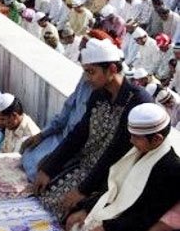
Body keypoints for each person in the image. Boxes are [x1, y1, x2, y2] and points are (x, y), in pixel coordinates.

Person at [34, 39, 153, 220]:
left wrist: (83, 190)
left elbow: (116, 151)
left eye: (91, 72)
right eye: (86, 72)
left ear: (112, 69)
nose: (87, 78)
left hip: (115, 178)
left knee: (66, 213)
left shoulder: (137, 101)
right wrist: (48, 169)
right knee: (43, 195)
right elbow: (79, 133)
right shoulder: (98, 95)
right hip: (88, 166)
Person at [65, 103, 180, 231]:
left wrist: (108, 229)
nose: (131, 140)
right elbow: (111, 187)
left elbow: (145, 215)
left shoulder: (172, 169)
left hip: (127, 227)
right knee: (71, 220)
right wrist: (86, 208)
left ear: (157, 139)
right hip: (110, 216)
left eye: (136, 137)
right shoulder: (138, 150)